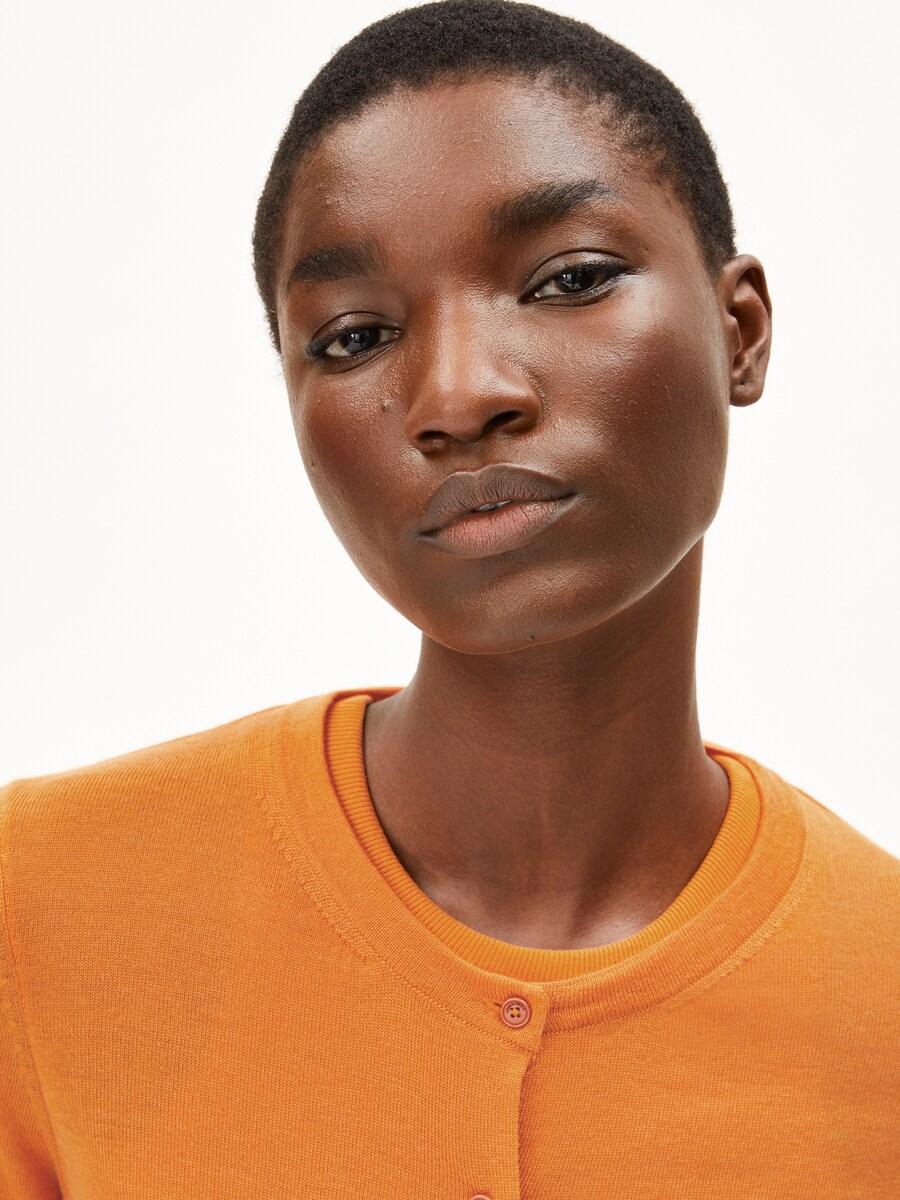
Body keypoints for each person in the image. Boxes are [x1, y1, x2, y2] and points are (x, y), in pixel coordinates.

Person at [2, 1, 897, 1196]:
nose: (459, 396)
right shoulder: (41, 909)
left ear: (740, 332)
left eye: (569, 279)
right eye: (353, 338)